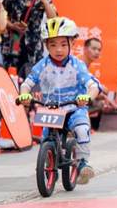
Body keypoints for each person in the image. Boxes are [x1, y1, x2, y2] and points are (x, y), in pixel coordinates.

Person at [16, 17, 99, 184]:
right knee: (46, 139)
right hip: (51, 109)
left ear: (72, 43)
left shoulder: (77, 65)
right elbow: (26, 84)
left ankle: (82, 164)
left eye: (63, 44)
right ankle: (49, 163)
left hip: (74, 108)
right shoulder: (42, 65)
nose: (58, 49)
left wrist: (87, 97)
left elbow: (93, 86)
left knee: (82, 129)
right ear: (46, 46)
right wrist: (24, 94)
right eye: (53, 45)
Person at [2, 0, 57, 78]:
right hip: (14, 40)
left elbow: (53, 19)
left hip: (34, 43)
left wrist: (44, 0)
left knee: (32, 78)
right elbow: (1, 15)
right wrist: (12, 26)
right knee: (12, 75)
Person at [82, 37, 117, 128]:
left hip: (82, 99)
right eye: (94, 49)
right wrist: (104, 96)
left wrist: (104, 96)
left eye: (99, 50)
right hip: (71, 102)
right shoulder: (79, 66)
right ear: (85, 49)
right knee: (103, 102)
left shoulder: (87, 67)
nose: (97, 52)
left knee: (106, 96)